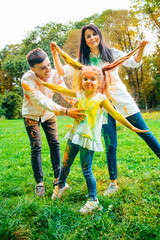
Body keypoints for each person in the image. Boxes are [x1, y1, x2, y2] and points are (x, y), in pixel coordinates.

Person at [50, 24, 160, 196]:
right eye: (88, 36)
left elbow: (135, 62)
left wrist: (141, 48)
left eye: (94, 34)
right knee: (111, 145)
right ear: (84, 41)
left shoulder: (113, 53)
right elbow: (62, 72)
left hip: (123, 101)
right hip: (102, 105)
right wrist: (55, 53)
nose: (92, 38)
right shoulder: (82, 61)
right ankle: (113, 183)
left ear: (99, 35)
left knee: (145, 132)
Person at [39, 47, 148, 213]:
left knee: (86, 170)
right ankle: (60, 187)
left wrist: (132, 126)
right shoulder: (80, 94)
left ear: (99, 82)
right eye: (85, 79)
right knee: (65, 164)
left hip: (88, 139)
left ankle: (93, 200)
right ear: (81, 81)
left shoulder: (101, 99)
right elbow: (61, 89)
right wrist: (44, 83)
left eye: (92, 79)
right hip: (74, 135)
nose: (88, 81)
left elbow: (116, 114)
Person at [21, 47, 85, 197]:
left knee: (55, 143)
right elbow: (41, 100)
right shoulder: (27, 80)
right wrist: (66, 111)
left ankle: (58, 180)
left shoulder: (55, 75)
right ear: (33, 69)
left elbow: (64, 92)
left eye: (49, 65)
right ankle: (39, 183)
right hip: (31, 115)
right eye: (43, 68)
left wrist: (78, 103)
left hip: (48, 114)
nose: (48, 69)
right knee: (36, 147)